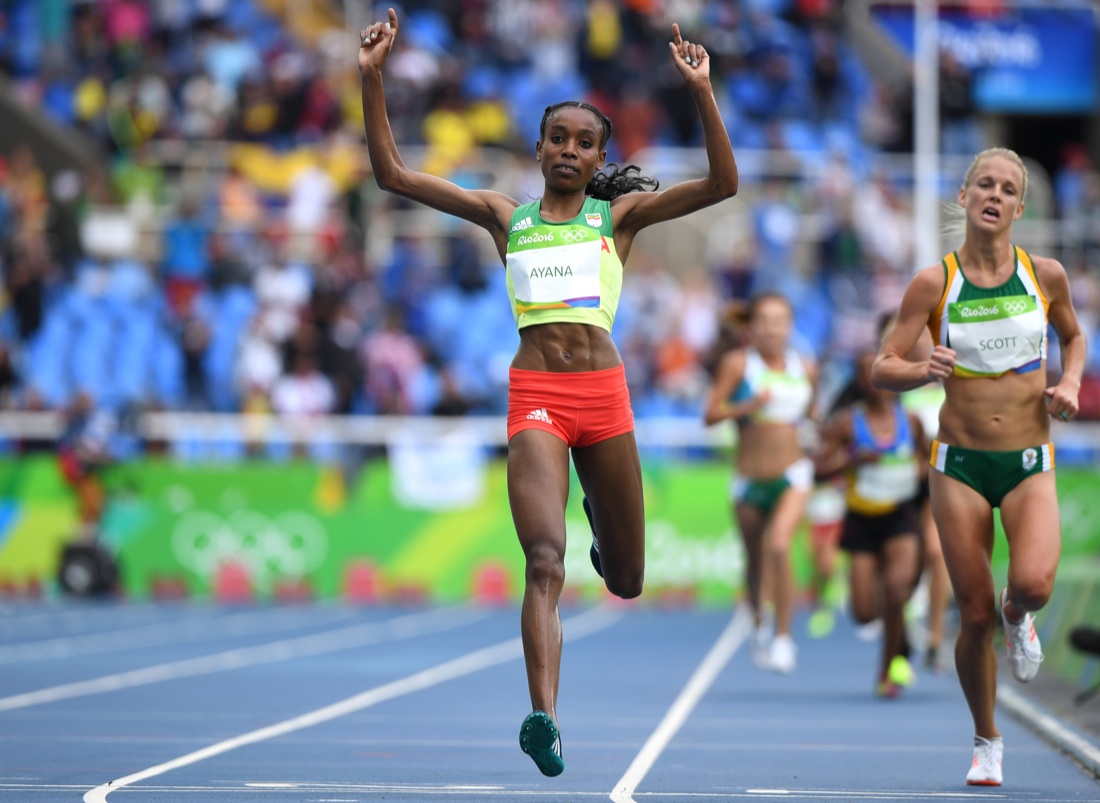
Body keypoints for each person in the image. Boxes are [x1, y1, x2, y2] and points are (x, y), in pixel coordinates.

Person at [358, 8, 738, 777]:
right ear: (537, 150)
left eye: (584, 141)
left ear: (600, 155)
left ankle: (603, 523)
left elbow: (724, 183)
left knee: (625, 578)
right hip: (535, 396)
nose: (569, 149)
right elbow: (393, 175)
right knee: (543, 561)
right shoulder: (507, 218)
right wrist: (370, 79)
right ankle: (544, 717)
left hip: (605, 398)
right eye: (557, 137)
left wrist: (702, 91)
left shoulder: (618, 217)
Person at [872, 148, 1087, 786]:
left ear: (1020, 208)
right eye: (984, 185)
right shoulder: (934, 283)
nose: (994, 195)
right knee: (970, 616)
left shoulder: (1044, 276)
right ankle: (987, 739)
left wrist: (1070, 382)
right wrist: (921, 369)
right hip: (958, 465)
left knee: (1034, 585)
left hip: (1027, 460)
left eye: (1007, 189)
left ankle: (1018, 615)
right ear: (964, 198)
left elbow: (1074, 337)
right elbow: (881, 366)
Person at [703, 293, 815, 673]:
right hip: (749, 478)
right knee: (755, 561)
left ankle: (785, 638)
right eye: (764, 320)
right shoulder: (738, 364)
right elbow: (710, 414)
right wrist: (747, 406)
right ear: (751, 327)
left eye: (780, 320)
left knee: (781, 547)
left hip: (792, 474)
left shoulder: (806, 366)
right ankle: (760, 623)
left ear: (789, 325)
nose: (772, 328)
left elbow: (813, 418)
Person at [814, 349, 926, 697]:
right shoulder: (848, 422)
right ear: (862, 382)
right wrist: (852, 460)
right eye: (867, 374)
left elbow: (926, 461)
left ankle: (888, 669)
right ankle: (898, 633)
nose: (876, 381)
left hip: (900, 515)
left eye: (881, 373)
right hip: (861, 519)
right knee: (864, 613)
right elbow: (818, 470)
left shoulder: (912, 421)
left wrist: (911, 471)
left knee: (896, 591)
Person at [898, 324, 951, 671]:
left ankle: (935, 636)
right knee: (909, 564)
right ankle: (902, 619)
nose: (924, 344)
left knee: (937, 553)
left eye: (928, 337)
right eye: (916, 339)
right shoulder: (899, 391)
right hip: (905, 486)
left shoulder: (954, 384)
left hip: (943, 482)